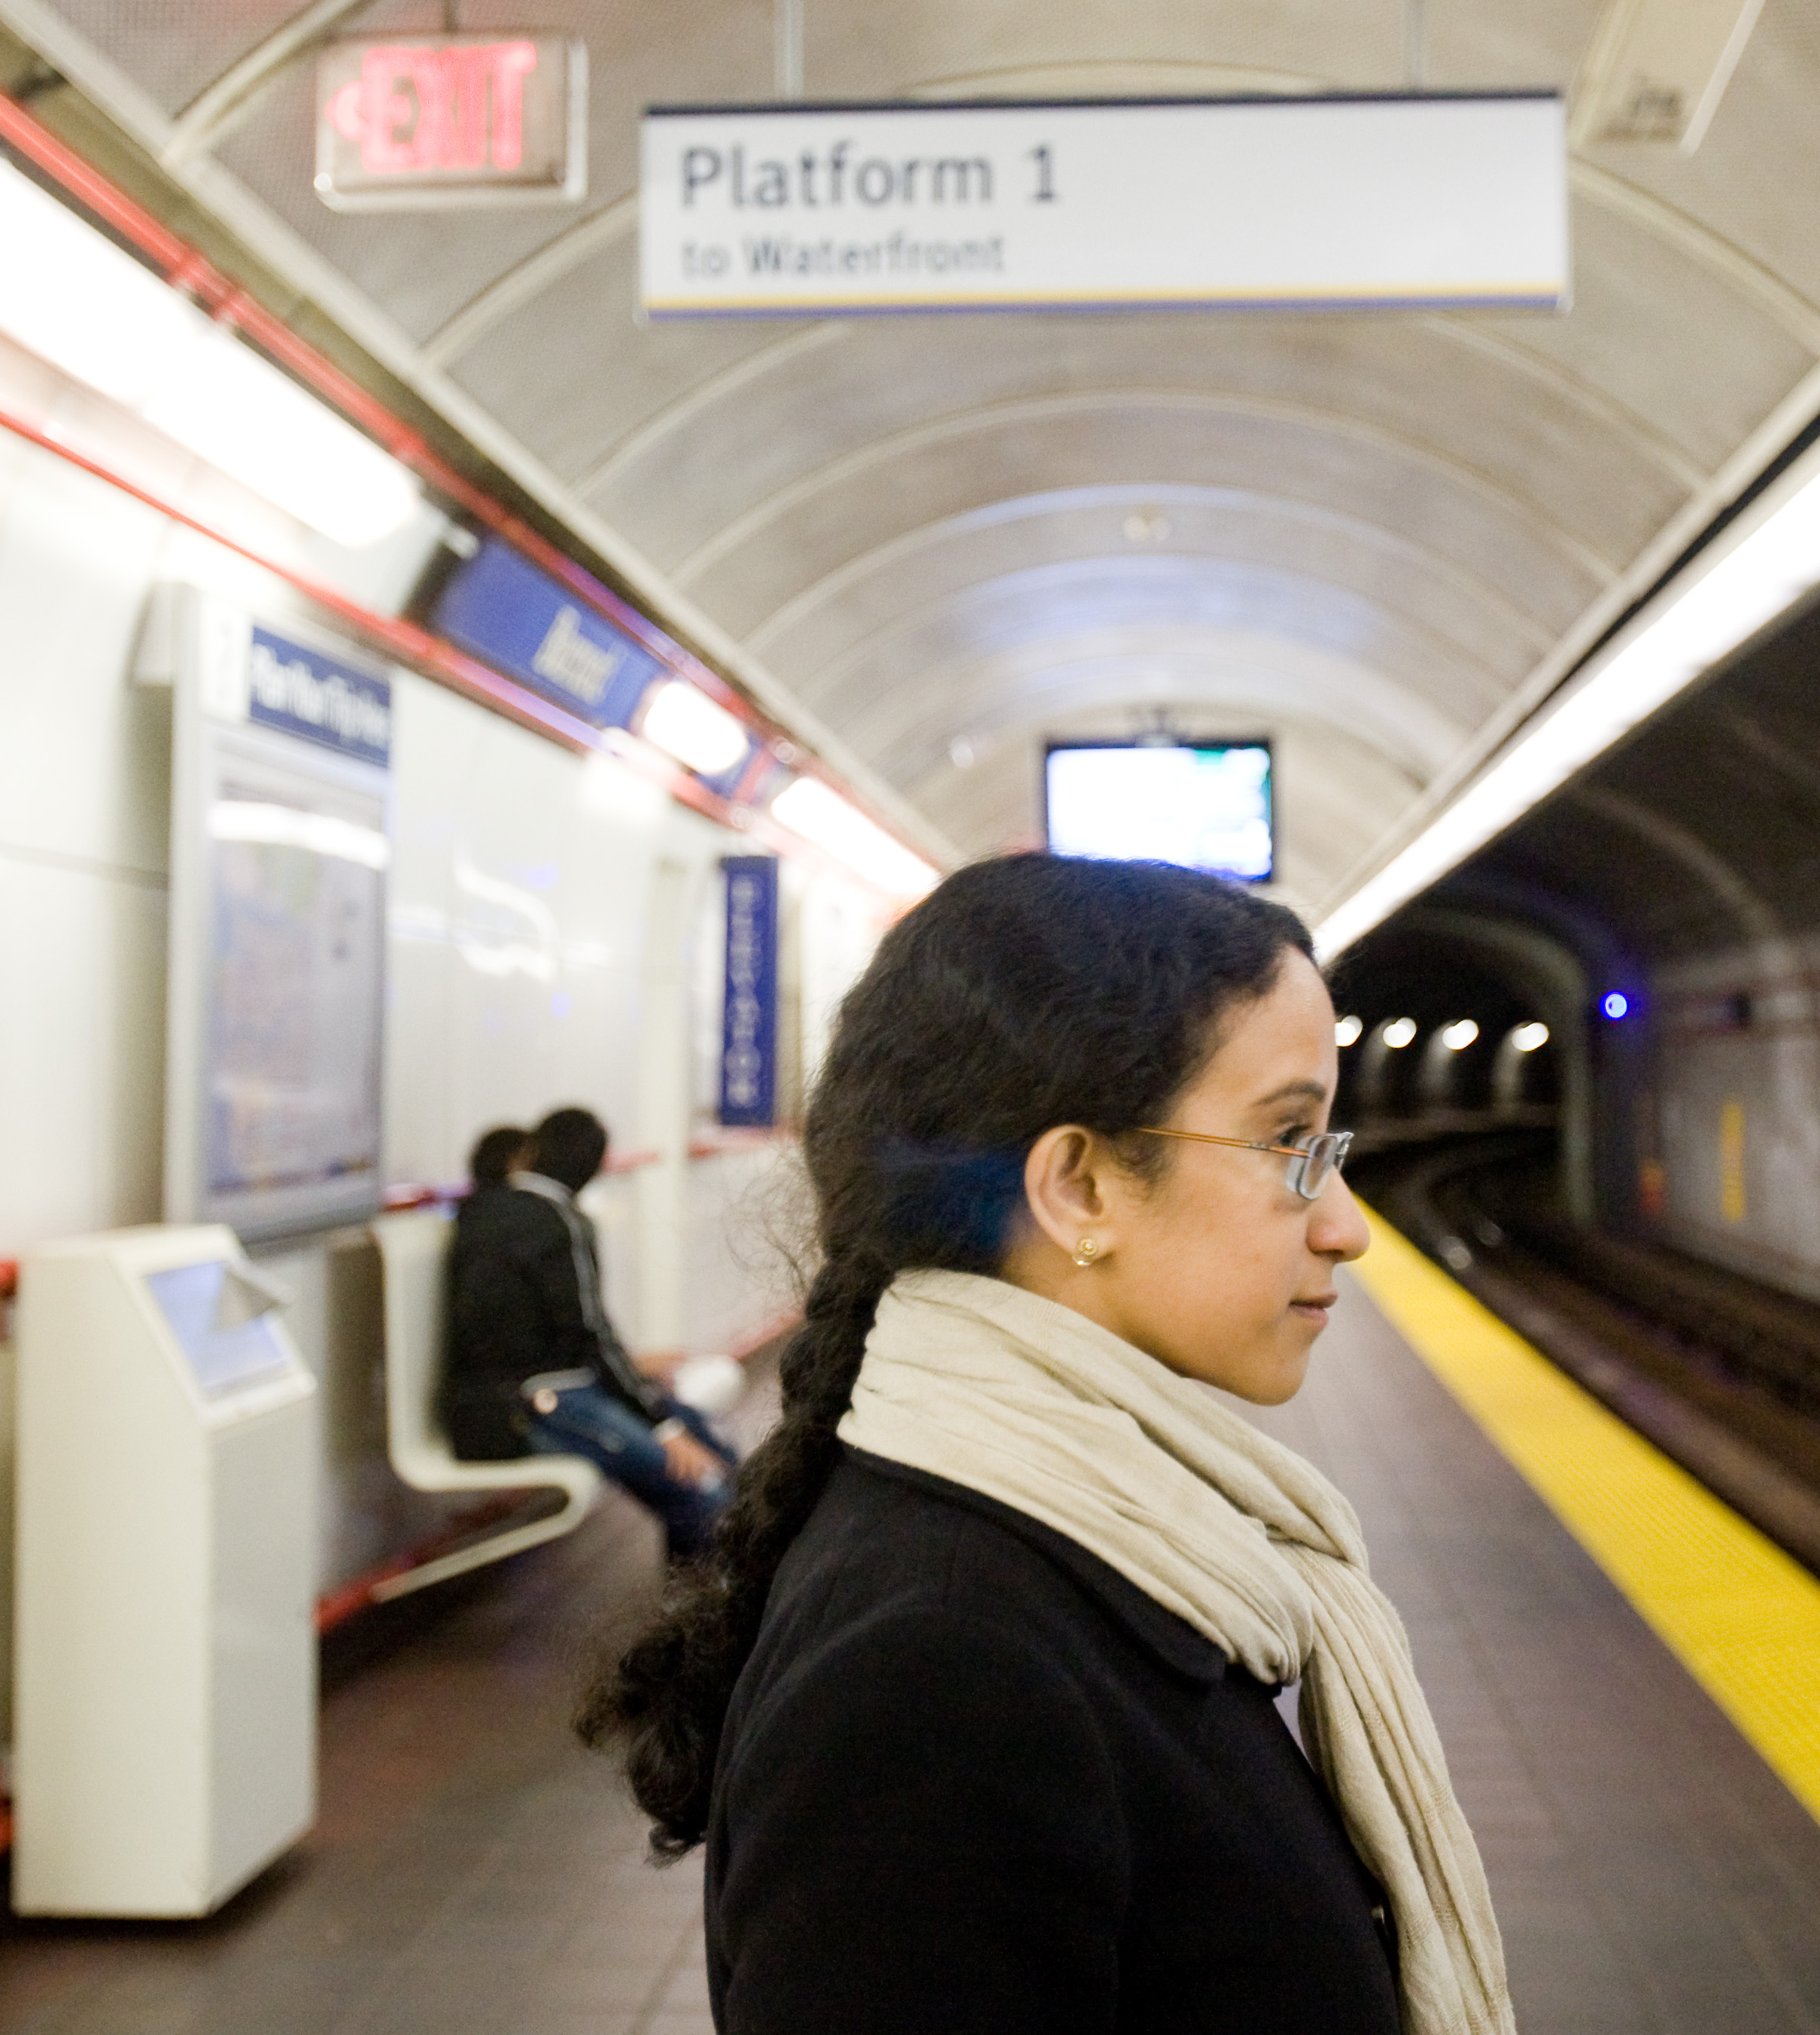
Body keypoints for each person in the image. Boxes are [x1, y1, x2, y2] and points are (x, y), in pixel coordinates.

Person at [580, 855, 1515, 2035]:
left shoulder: (1103, 1542)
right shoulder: (940, 1675)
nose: (1346, 1225)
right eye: (1290, 1143)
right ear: (1078, 1186)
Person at [442, 1113, 737, 1558]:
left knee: (702, 1449)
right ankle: (711, 1613)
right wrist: (663, 1425)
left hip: (508, 1398)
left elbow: (524, 1330)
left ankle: (700, 1605)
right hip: (529, 1405)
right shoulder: (557, 1219)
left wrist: (634, 1373)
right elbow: (589, 1332)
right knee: (703, 1481)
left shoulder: (481, 1212)